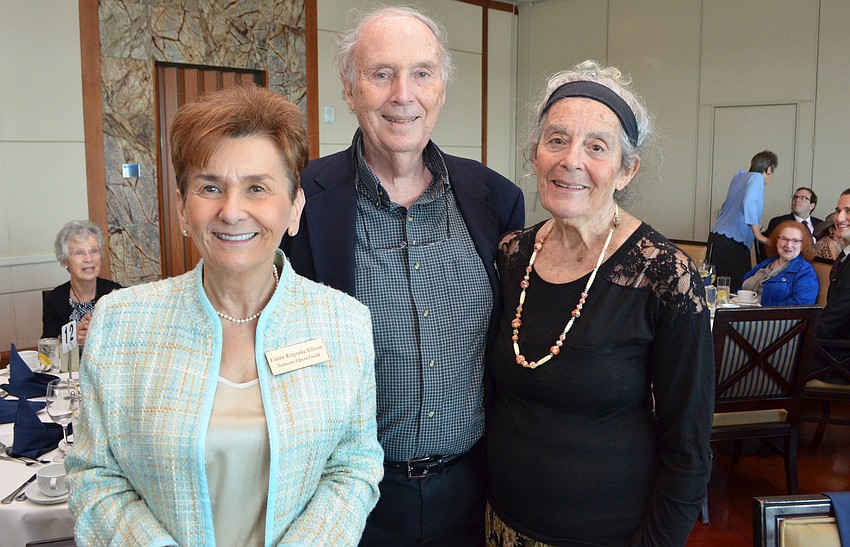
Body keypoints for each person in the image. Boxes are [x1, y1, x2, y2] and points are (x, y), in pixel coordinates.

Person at [66, 86, 383, 545]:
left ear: (294, 208)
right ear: (181, 209)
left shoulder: (343, 323)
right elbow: (95, 476)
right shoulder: (120, 323)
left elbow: (353, 467)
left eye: (257, 187)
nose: (232, 211)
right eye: (210, 187)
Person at [282, 6, 524, 546]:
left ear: (440, 87)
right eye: (381, 73)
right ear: (349, 89)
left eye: (422, 73)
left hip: (475, 491)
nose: (402, 94)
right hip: (346, 496)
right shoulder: (300, 200)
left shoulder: (498, 201)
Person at [485, 60, 713, 546]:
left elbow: (689, 450)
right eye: (557, 139)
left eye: (596, 147)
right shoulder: (511, 255)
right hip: (498, 522)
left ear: (626, 169)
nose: (572, 160)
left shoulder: (665, 275)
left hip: (607, 532)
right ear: (536, 152)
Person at [42, 220, 122, 346]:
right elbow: (48, 349)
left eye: (94, 251)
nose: (89, 259)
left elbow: (125, 338)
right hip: (71, 366)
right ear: (64, 261)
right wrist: (72, 340)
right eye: (80, 253)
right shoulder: (54, 300)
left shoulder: (115, 293)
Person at [708, 150, 778, 291]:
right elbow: (749, 202)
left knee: (716, 286)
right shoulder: (757, 178)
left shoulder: (739, 177)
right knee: (733, 289)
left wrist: (756, 225)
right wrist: (758, 234)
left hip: (717, 237)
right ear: (769, 169)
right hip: (733, 243)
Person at [809, 189, 850, 383]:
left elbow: (834, 317)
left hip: (841, 356)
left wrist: (795, 333)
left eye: (848, 211)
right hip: (834, 346)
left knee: (774, 354)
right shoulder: (845, 254)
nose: (839, 218)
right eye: (838, 210)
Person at [741, 220, 818, 306]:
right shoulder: (767, 263)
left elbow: (801, 305)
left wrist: (763, 311)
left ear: (802, 246)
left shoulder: (806, 272)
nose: (788, 245)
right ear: (776, 241)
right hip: (744, 312)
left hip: (771, 318)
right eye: (784, 239)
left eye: (795, 241)